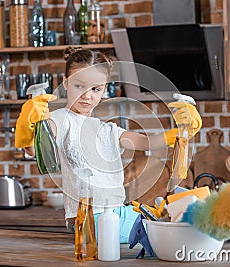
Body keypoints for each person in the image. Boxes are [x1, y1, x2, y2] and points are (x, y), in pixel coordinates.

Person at [15, 47, 202, 243]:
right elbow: (34, 149)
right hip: (90, 217)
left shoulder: (106, 129)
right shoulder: (61, 120)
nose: (87, 96)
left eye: (95, 89)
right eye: (79, 86)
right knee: (169, 236)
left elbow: (147, 142)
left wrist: (181, 132)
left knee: (171, 225)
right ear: (65, 84)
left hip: (114, 214)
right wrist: (30, 129)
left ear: (104, 89)